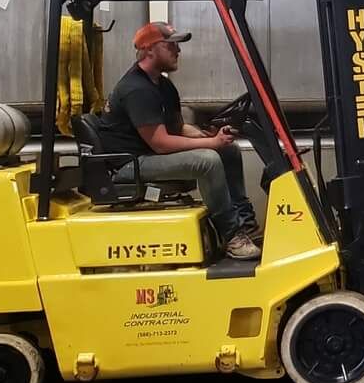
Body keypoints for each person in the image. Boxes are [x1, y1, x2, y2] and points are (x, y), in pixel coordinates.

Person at [95, 21, 262, 261]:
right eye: (171, 45)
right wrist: (210, 145)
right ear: (149, 49)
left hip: (147, 155)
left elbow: (176, 128)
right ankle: (232, 234)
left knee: (229, 151)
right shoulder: (136, 89)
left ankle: (245, 223)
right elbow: (161, 143)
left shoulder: (164, 86)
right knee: (207, 161)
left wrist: (210, 135)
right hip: (128, 165)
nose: (178, 51)